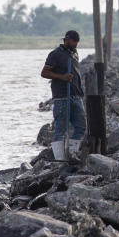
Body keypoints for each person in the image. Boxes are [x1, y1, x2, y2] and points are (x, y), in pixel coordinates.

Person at [40, 30, 86, 161]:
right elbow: (44, 73)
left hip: (76, 96)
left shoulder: (74, 53)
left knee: (81, 125)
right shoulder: (55, 54)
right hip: (62, 96)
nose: (75, 45)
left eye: (77, 43)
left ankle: (72, 153)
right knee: (60, 128)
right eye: (73, 42)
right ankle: (60, 159)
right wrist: (61, 77)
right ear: (66, 40)